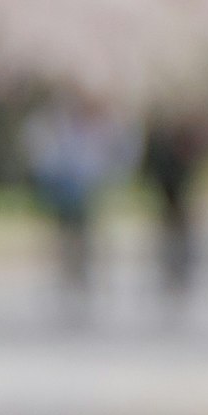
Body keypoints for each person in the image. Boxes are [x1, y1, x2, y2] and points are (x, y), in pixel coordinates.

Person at [22, 97, 128, 315]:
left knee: (83, 232)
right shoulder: (55, 129)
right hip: (63, 189)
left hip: (83, 189)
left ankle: (81, 272)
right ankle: (70, 273)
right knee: (66, 233)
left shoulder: (90, 130)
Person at [139, 111, 208, 305]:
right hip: (168, 200)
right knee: (172, 239)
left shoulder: (184, 147)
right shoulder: (162, 149)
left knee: (182, 240)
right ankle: (173, 273)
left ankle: (181, 274)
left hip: (180, 201)